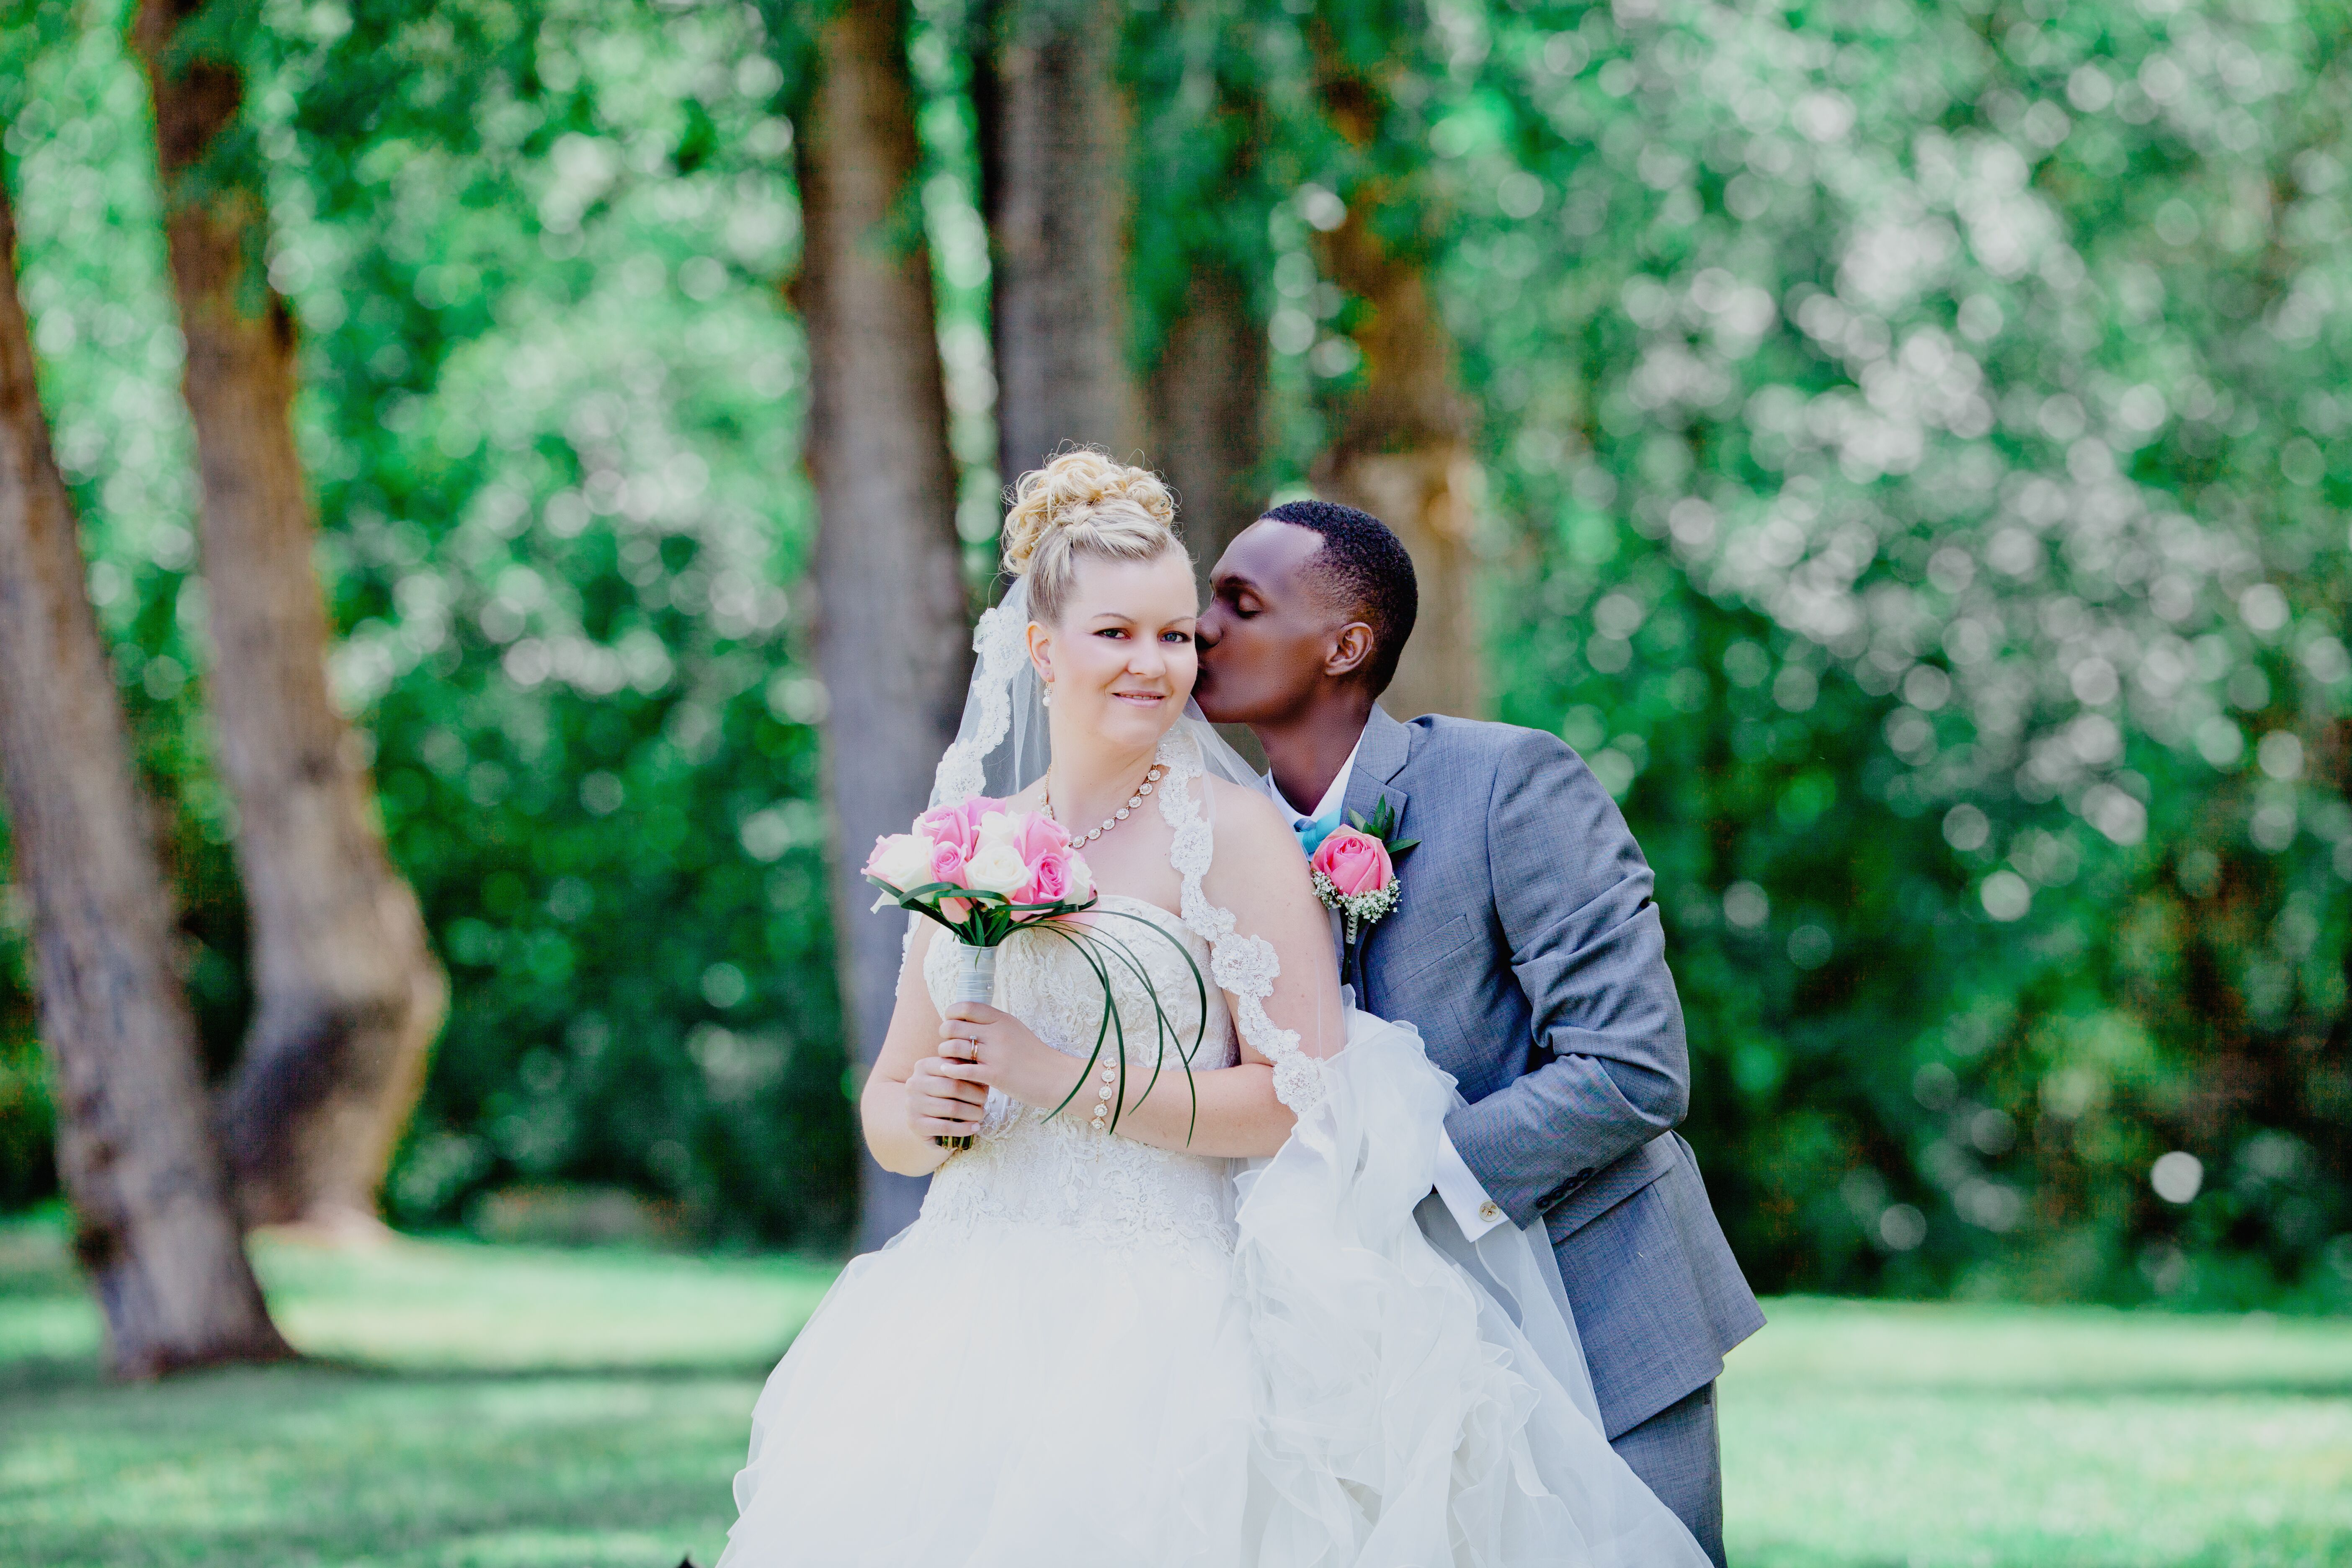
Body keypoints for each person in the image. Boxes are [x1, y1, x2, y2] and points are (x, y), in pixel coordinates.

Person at [719, 451, 1708, 1567]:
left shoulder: (1234, 831)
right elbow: (894, 1104)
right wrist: (930, 1112)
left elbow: (1304, 1095)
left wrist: (1053, 1077)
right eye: (1119, 633)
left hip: (1167, 1320)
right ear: (1040, 648)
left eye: (1178, 632)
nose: (1164, 660)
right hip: (962, 1314)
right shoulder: (965, 845)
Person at [1191, 499, 1765, 1567]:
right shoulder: (1209, 840)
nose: (1200, 627)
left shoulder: (1511, 783)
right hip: (1353, 1356)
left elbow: (1631, 1068)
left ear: (1346, 645)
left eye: (1241, 602)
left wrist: (1393, 1179)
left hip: (1600, 1319)